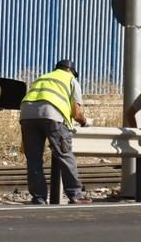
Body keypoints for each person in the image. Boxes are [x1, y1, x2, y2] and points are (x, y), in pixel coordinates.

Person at [19, 59, 91, 205]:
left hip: (27, 116)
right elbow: (76, 113)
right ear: (71, 71)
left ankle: (38, 198)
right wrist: (85, 122)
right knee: (65, 155)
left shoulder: (43, 77)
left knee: (33, 160)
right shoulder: (71, 80)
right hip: (52, 116)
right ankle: (75, 195)